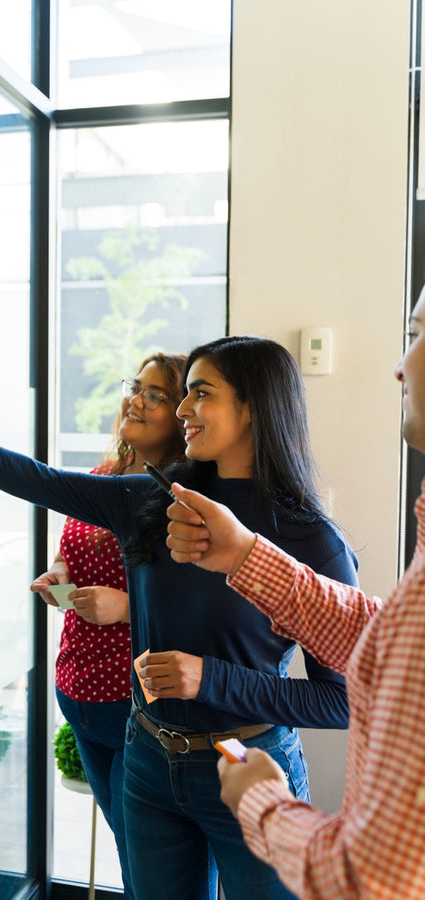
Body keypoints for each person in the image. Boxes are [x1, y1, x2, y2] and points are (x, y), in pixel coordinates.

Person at [0, 335, 358, 900]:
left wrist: (214, 679)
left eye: (199, 394)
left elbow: (343, 699)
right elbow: (37, 479)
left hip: (248, 763)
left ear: (253, 405)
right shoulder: (151, 500)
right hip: (149, 757)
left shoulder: (313, 540)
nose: (181, 410)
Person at [163, 292, 425, 899]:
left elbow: (363, 877)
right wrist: (249, 559)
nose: (398, 365)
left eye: (415, 335)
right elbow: (386, 642)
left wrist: (263, 801)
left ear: (251, 409)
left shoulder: (318, 537)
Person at [30, 352, 187, 899]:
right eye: (135, 386)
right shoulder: (103, 477)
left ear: (183, 416)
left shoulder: (179, 500)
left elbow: (199, 605)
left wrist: (125, 608)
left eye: (155, 394)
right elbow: (71, 549)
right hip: (78, 695)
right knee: (130, 851)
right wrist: (59, 575)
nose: (135, 399)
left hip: (133, 706)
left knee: (147, 862)